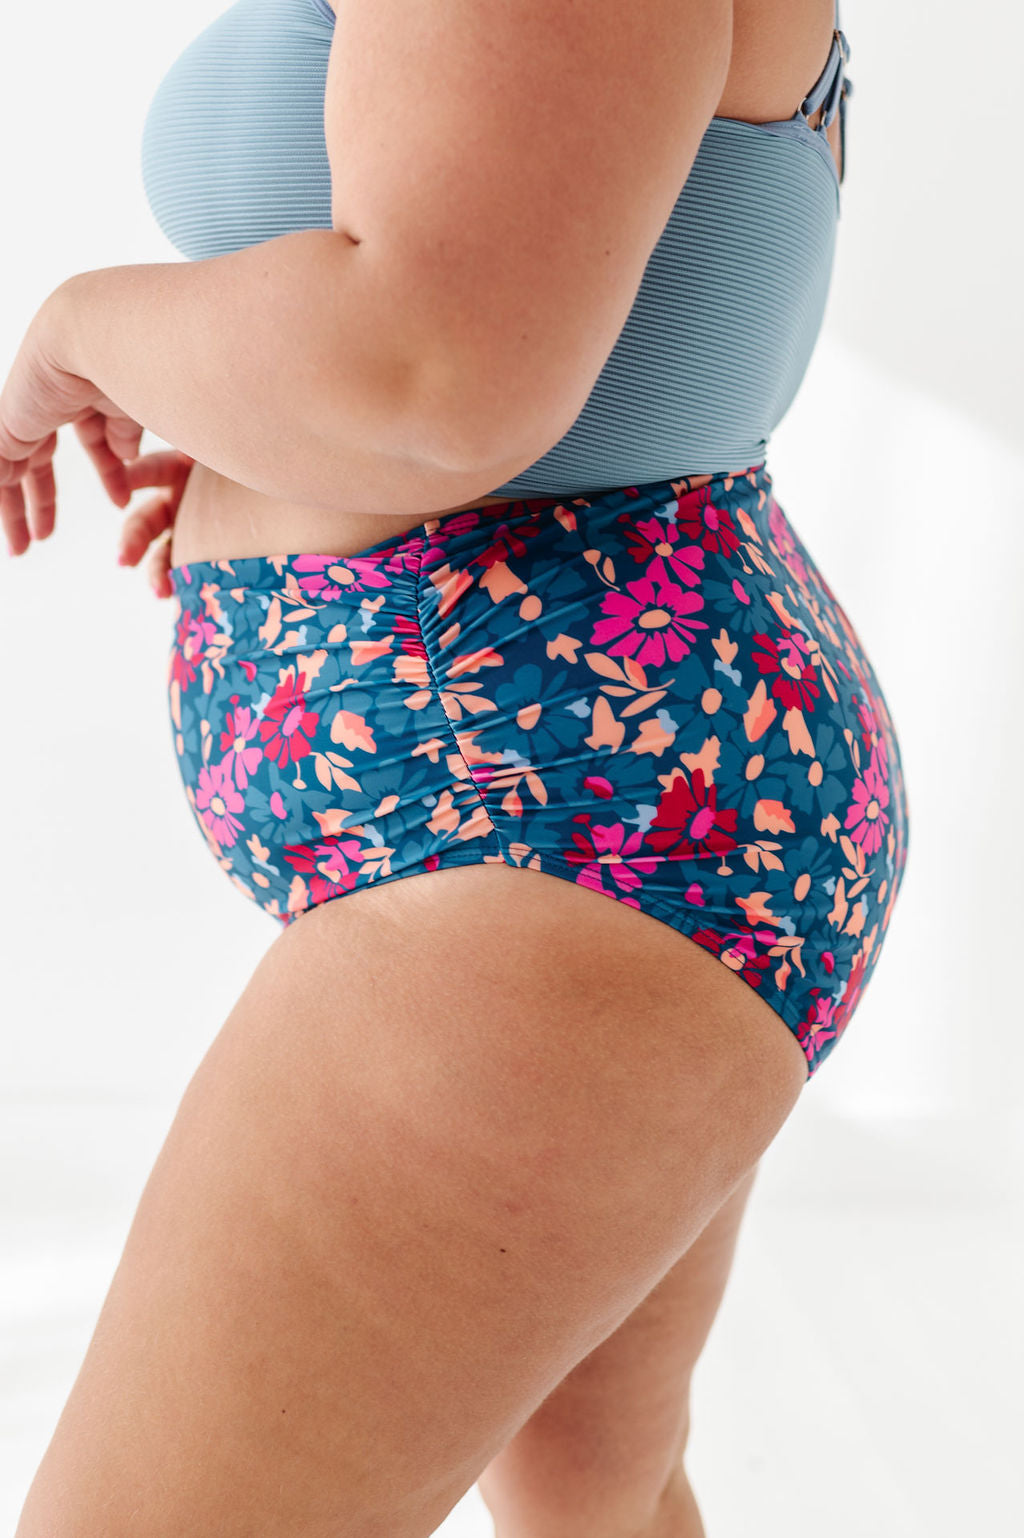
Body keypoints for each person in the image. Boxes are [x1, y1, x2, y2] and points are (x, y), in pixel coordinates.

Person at [0, 2, 909, 1534]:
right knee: (593, 1501)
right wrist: (269, 429)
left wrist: (73, 333)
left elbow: (432, 378)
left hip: (576, 826)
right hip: (599, 821)